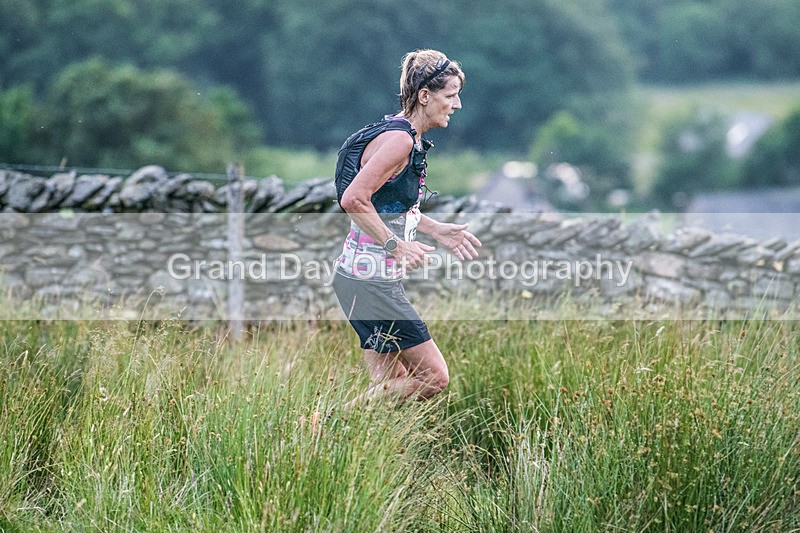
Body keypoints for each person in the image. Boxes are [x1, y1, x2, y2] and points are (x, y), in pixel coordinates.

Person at [332, 49, 482, 408]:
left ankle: (335, 436)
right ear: (425, 95)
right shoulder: (399, 141)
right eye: (451, 95)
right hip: (371, 282)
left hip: (358, 278)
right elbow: (353, 200)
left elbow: (386, 205)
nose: (457, 104)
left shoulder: (401, 132)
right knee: (433, 376)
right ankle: (327, 421)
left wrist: (434, 229)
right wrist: (395, 246)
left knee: (390, 386)